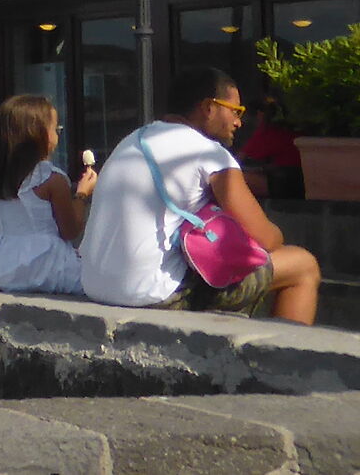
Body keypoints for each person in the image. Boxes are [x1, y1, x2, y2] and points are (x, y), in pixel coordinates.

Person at [79, 68, 320, 323]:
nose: (239, 122)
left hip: (95, 287)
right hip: (157, 294)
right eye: (235, 111)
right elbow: (266, 238)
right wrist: (277, 238)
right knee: (303, 265)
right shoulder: (210, 154)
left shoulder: (129, 142)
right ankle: (280, 357)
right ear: (208, 107)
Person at [0, 94, 96, 293]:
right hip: (46, 265)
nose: (58, 135)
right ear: (39, 135)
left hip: (0, 266)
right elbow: (70, 230)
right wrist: (82, 194)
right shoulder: (50, 178)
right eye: (55, 129)